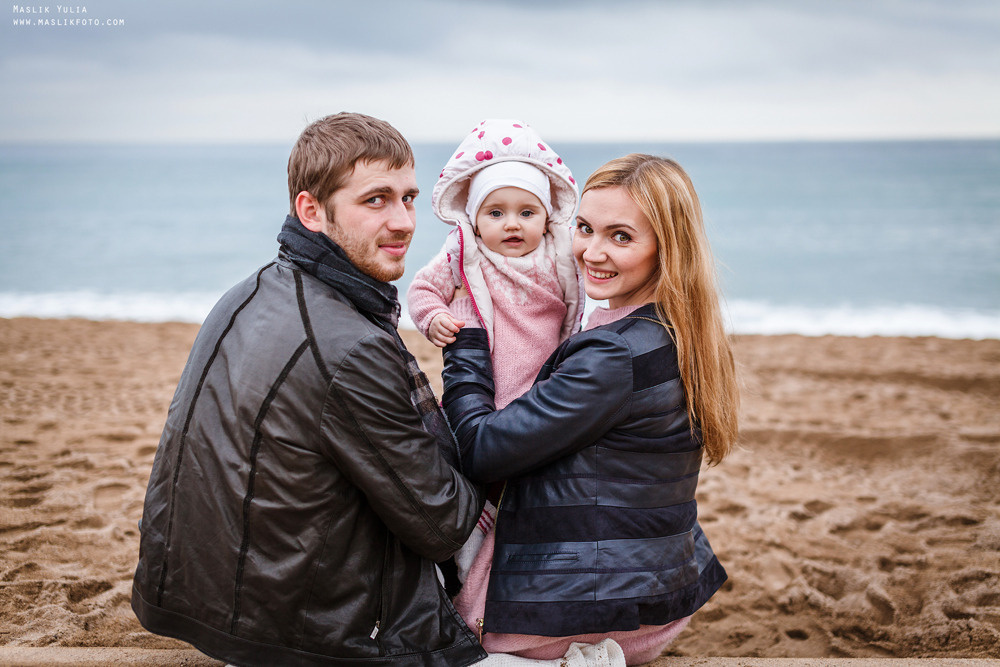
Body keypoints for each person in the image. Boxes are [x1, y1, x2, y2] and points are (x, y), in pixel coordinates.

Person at [131, 112, 488, 667]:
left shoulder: (244, 294)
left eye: (409, 198)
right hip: (307, 632)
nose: (403, 222)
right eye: (376, 200)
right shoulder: (351, 346)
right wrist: (478, 396)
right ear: (311, 210)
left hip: (208, 600)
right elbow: (443, 524)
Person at [441, 154, 740, 665]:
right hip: (654, 599)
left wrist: (467, 334)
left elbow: (480, 450)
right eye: (584, 228)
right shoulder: (678, 329)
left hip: (578, 615)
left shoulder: (613, 354)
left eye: (620, 237)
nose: (591, 252)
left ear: (667, 247)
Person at [407, 118, 584, 409]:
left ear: (546, 220)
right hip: (487, 384)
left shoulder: (559, 253)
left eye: (527, 213)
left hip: (547, 383)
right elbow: (423, 288)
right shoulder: (467, 254)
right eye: (496, 213)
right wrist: (434, 316)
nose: (512, 224)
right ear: (475, 222)